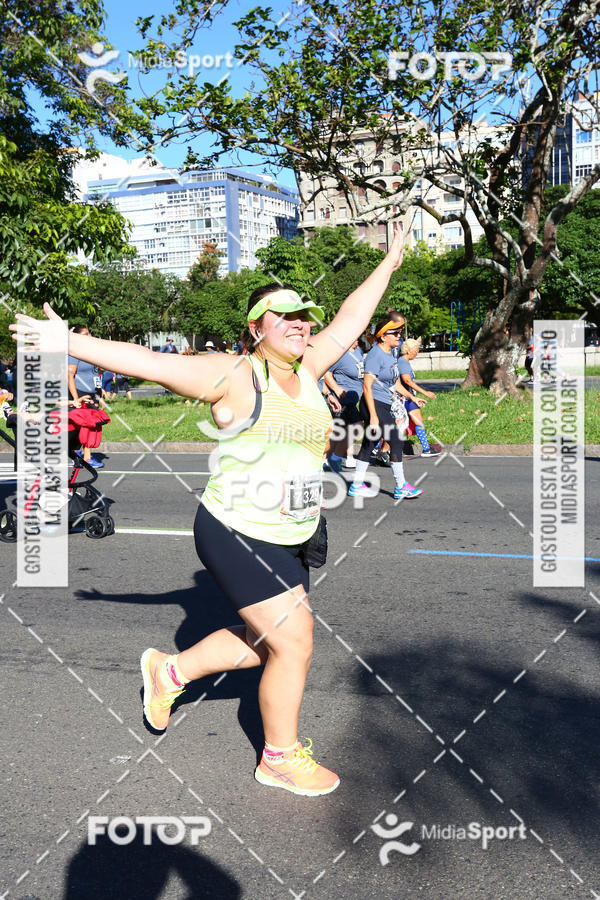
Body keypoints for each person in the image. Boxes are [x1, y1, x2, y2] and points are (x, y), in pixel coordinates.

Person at [10, 226, 406, 798]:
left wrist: (389, 263)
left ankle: (169, 672)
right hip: (236, 529)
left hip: (291, 530)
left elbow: (350, 315)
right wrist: (67, 341)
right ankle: (279, 756)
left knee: (262, 641)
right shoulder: (235, 376)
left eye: (303, 316)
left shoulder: (311, 368)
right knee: (294, 642)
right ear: (256, 327)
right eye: (284, 316)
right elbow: (146, 361)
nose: (300, 323)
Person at [349, 317, 423, 501]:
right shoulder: (375, 355)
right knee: (396, 439)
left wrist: (411, 396)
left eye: (399, 332)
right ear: (383, 336)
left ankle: (356, 485)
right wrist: (373, 416)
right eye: (395, 333)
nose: (399, 336)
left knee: (370, 442)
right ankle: (401, 486)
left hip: (383, 403)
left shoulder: (390, 353)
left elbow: (395, 382)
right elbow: (367, 386)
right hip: (373, 403)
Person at [323, 338, 364, 469]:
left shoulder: (358, 352)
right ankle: (328, 459)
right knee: (351, 428)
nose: (357, 338)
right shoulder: (340, 354)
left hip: (353, 399)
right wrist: (336, 388)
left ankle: (335, 458)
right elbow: (327, 372)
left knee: (346, 430)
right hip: (341, 400)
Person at [68, 325, 104, 469]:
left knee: (90, 425)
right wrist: (76, 399)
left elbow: (95, 375)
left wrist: (99, 394)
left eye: (89, 333)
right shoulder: (74, 353)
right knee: (87, 425)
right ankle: (86, 457)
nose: (90, 336)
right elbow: (70, 375)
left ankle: (77, 452)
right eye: (86, 334)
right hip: (80, 392)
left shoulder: (91, 353)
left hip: (92, 392)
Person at [397, 339, 440, 458]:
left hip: (409, 398)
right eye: (416, 350)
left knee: (417, 421)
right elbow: (407, 380)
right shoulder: (403, 362)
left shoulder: (404, 361)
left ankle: (426, 449)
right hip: (405, 398)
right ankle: (376, 447)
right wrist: (425, 393)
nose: (417, 353)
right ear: (408, 350)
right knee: (398, 425)